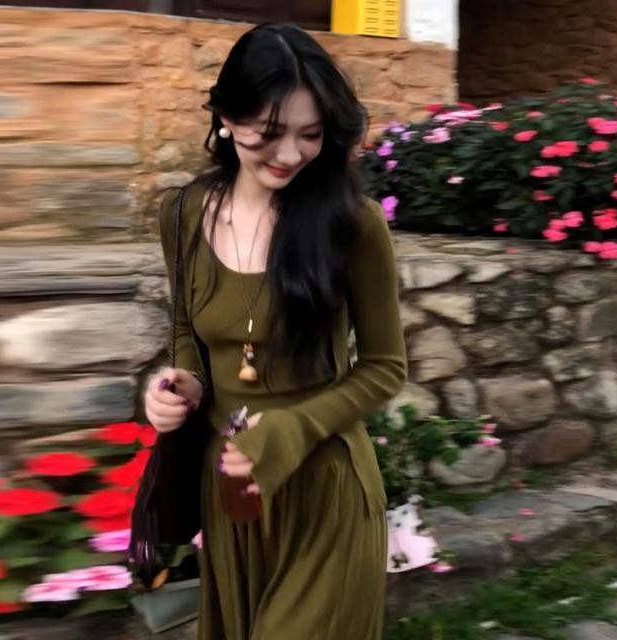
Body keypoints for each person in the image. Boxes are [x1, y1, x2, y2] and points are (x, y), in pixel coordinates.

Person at [143, 23, 406, 640]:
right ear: (226, 119)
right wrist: (181, 385)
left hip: (325, 490)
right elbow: (187, 330)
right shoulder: (182, 215)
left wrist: (292, 428)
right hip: (233, 493)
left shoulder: (353, 224)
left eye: (310, 135)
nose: (289, 154)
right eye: (268, 132)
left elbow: (385, 367)